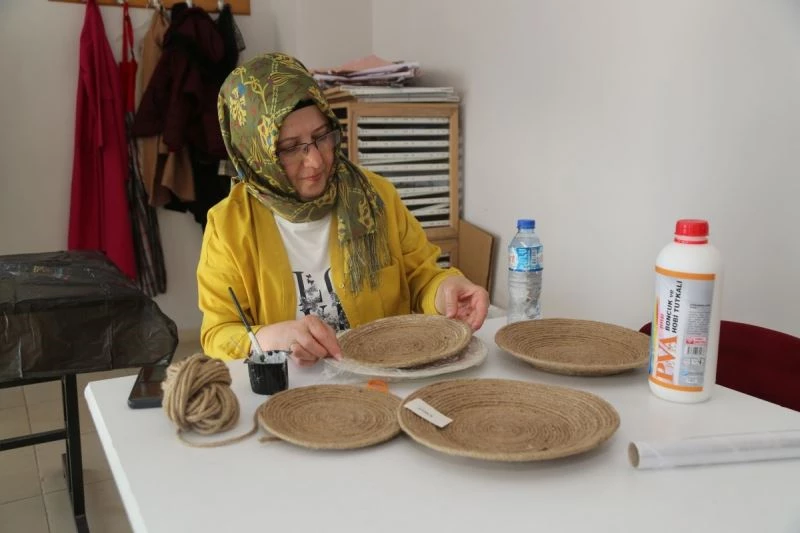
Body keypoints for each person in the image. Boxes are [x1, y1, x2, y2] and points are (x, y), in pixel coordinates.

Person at [197, 53, 489, 366]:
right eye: (291, 148)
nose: (316, 161)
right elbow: (218, 333)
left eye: (322, 137)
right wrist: (271, 337)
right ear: (256, 155)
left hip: (383, 373)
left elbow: (421, 275)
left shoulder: (375, 195)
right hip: (294, 392)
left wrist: (445, 289)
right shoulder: (228, 225)